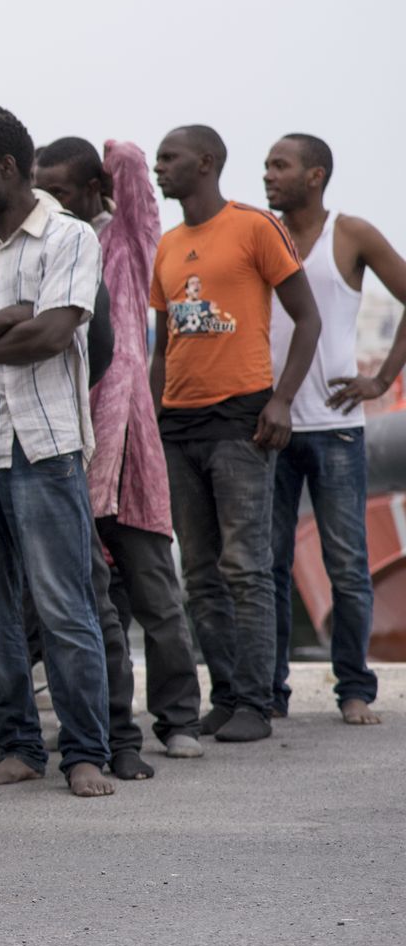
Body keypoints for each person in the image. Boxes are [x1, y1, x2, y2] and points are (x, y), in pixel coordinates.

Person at [0, 109, 116, 798]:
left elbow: (51, 335)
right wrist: (9, 316)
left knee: (62, 605)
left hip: (43, 447)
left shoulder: (68, 238)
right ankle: (15, 743)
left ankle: (84, 752)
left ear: (7, 168)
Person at [34, 137, 206, 775]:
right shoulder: (48, 243)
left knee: (156, 592)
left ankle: (179, 717)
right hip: (72, 442)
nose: (52, 201)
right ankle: (98, 717)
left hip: (129, 445)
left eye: (63, 189)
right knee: (82, 597)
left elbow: (131, 162)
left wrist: (108, 159)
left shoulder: (127, 242)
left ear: (95, 189)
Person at [150, 124, 320, 744]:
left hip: (240, 420)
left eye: (169, 157)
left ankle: (256, 699)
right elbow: (164, 347)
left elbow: (308, 318)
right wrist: (150, 418)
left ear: (207, 162)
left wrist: (281, 401)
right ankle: (225, 696)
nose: (158, 166)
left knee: (245, 566)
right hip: (178, 424)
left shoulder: (254, 226)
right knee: (198, 570)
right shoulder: (167, 246)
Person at [264, 132, 394, 726]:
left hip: (337, 426)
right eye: (266, 165)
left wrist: (382, 379)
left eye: (280, 165)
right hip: (274, 423)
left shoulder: (352, 233)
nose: (268, 174)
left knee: (346, 563)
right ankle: (270, 691)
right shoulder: (260, 231)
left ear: (315, 175)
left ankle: (354, 688)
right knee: (267, 563)